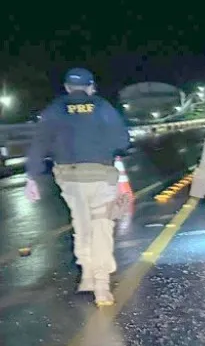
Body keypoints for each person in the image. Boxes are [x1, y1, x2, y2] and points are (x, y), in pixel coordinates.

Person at [25, 67, 130, 307]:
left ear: (67, 88)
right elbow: (122, 141)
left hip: (70, 180)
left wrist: (31, 177)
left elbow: (39, 143)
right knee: (101, 226)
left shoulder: (55, 110)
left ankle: (87, 278)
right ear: (91, 86)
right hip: (101, 177)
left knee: (82, 224)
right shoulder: (102, 106)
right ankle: (102, 287)